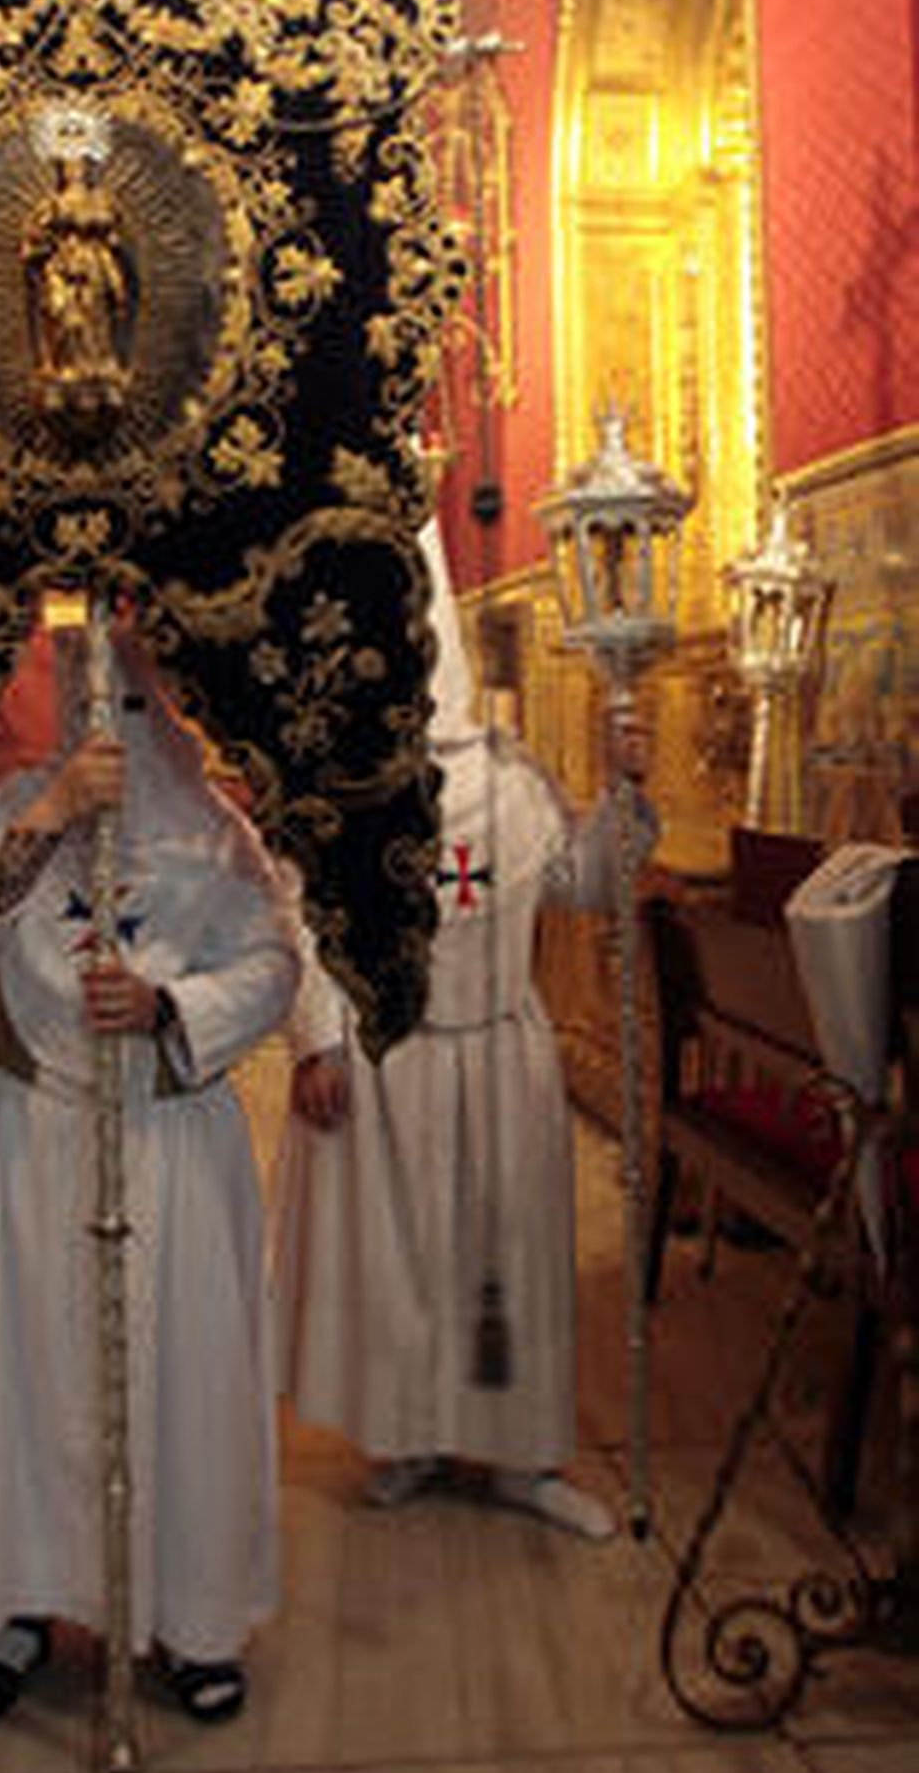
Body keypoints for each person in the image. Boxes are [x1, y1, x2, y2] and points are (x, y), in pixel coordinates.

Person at [0, 622, 300, 1726]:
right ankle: (14, 1607)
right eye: (85, 699)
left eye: (127, 699)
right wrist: (53, 810)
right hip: (34, 1136)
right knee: (23, 1375)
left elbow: (274, 962)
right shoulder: (22, 805)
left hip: (167, 1140)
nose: (106, 722)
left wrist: (171, 1006)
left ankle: (192, 1618)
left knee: (180, 1379)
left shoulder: (215, 830)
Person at [273, 517, 655, 1541]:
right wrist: (315, 1038)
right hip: (393, 1055)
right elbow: (307, 909)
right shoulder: (350, 781)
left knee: (504, 1265)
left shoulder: (514, 776)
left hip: (500, 1056)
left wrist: (623, 791)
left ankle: (525, 1460)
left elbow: (587, 882)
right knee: (402, 1264)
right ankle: (408, 1441)